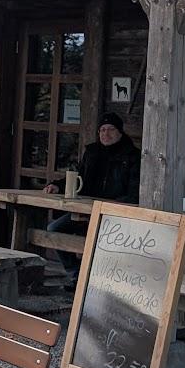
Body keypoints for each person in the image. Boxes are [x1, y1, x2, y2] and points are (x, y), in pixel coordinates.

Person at [44, 111, 141, 285]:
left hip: (115, 214)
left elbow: (135, 191)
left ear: (120, 132)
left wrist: (116, 205)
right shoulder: (92, 151)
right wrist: (57, 185)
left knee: (101, 240)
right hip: (86, 211)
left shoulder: (132, 156)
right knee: (54, 229)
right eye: (102, 130)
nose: (106, 134)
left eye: (111, 130)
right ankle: (76, 275)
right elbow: (78, 176)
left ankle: (99, 282)